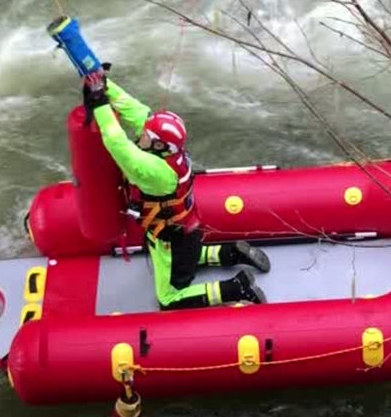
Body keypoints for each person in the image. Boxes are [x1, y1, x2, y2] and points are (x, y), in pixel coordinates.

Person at [82, 70, 269, 308]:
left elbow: (117, 143)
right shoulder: (170, 151)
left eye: (146, 135)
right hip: (187, 231)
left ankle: (235, 287)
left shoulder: (155, 172)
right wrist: (104, 86)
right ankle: (230, 252)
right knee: (186, 256)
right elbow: (132, 108)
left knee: (168, 299)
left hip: (171, 238)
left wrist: (99, 104)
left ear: (159, 143)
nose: (142, 135)